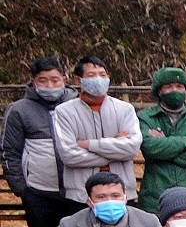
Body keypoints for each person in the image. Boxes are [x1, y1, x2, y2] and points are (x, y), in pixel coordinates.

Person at [5, 57, 79, 227]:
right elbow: (10, 151)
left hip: (76, 190)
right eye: (43, 80)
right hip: (39, 192)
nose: (50, 85)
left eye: (55, 80)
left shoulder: (76, 106)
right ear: (33, 82)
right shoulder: (19, 110)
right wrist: (21, 188)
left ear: (65, 80)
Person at [52, 54, 140, 201]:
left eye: (102, 75)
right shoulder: (64, 112)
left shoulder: (124, 109)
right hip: (80, 194)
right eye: (91, 75)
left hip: (121, 193)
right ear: (78, 80)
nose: (98, 79)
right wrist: (114, 152)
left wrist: (89, 145)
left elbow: (132, 148)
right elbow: (68, 155)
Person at [135, 67, 186, 217]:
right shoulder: (145, 118)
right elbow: (149, 148)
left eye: (179, 86)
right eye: (168, 86)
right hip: (156, 194)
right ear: (159, 91)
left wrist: (165, 147)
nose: (175, 90)